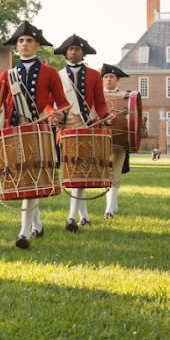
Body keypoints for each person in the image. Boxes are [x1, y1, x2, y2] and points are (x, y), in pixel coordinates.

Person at [0, 22, 69, 248]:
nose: (24, 45)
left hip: (39, 131)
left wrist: (57, 115)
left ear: (37, 45)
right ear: (16, 46)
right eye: (21, 41)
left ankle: (23, 232)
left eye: (29, 41)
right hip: (13, 132)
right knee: (23, 179)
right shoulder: (7, 74)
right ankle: (37, 225)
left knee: (30, 180)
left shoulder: (50, 72)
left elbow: (61, 103)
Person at [52, 34, 110, 232]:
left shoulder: (94, 75)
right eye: (70, 49)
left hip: (86, 127)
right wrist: (56, 117)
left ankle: (71, 217)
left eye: (77, 49)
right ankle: (83, 215)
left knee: (79, 171)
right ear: (65, 53)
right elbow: (51, 103)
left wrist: (106, 115)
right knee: (75, 172)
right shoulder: (57, 75)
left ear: (83, 52)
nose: (73, 52)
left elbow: (100, 103)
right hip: (66, 128)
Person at [101, 63, 131, 218]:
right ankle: (112, 205)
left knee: (115, 175)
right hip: (101, 142)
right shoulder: (97, 97)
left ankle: (110, 209)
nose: (108, 80)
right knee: (106, 174)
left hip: (119, 142)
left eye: (111, 77)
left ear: (117, 79)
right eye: (106, 77)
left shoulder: (127, 98)